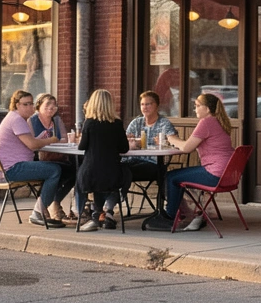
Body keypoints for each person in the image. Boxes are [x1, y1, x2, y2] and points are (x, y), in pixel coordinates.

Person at [144, 93, 236, 232]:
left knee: (171, 176)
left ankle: (170, 217)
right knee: (177, 176)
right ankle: (182, 212)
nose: (195, 109)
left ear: (207, 108)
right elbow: (189, 145)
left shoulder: (206, 122)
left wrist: (171, 138)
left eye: (198, 106)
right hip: (227, 174)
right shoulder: (219, 121)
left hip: (215, 174)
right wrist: (177, 142)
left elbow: (187, 148)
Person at [0, 89, 74, 227]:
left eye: (31, 103)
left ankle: (51, 203)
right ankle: (38, 212)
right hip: (12, 169)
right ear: (17, 105)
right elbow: (32, 144)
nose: (30, 107)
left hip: (14, 166)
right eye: (26, 104)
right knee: (54, 170)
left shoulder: (17, 119)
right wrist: (51, 139)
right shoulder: (16, 119)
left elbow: (31, 142)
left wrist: (41, 140)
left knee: (70, 170)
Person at [75, 89, 132, 231]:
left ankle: (94, 215)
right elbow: (124, 148)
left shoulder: (89, 123)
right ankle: (108, 211)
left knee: (92, 181)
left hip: (90, 172)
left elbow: (82, 146)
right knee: (120, 178)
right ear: (110, 104)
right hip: (112, 172)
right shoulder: (117, 123)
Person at [31, 92, 76, 222]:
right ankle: (47, 206)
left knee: (74, 172)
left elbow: (64, 139)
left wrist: (50, 140)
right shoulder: (33, 120)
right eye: (47, 104)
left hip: (56, 157)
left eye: (54, 105)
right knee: (59, 171)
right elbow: (32, 142)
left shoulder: (56, 120)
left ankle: (54, 202)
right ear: (39, 106)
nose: (51, 107)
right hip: (38, 158)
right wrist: (53, 140)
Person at [125, 91, 178, 187]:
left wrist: (163, 144)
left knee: (124, 171)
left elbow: (173, 144)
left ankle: (115, 198)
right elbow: (123, 143)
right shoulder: (136, 123)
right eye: (142, 104)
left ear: (157, 105)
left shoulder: (164, 123)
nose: (144, 107)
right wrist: (129, 142)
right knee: (114, 168)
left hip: (153, 163)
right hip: (132, 161)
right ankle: (112, 198)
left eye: (148, 104)